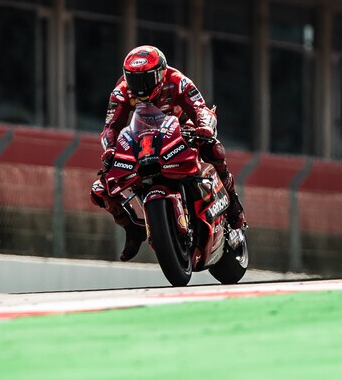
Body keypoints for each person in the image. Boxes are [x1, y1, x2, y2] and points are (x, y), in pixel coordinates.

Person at [90, 45, 248, 262]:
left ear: (161, 73)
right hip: (142, 141)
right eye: (134, 79)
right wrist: (109, 149)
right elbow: (111, 127)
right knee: (100, 189)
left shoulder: (177, 80)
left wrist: (205, 128)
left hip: (181, 130)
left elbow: (200, 108)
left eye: (146, 79)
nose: (140, 87)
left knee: (213, 148)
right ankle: (132, 228)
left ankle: (233, 206)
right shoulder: (122, 91)